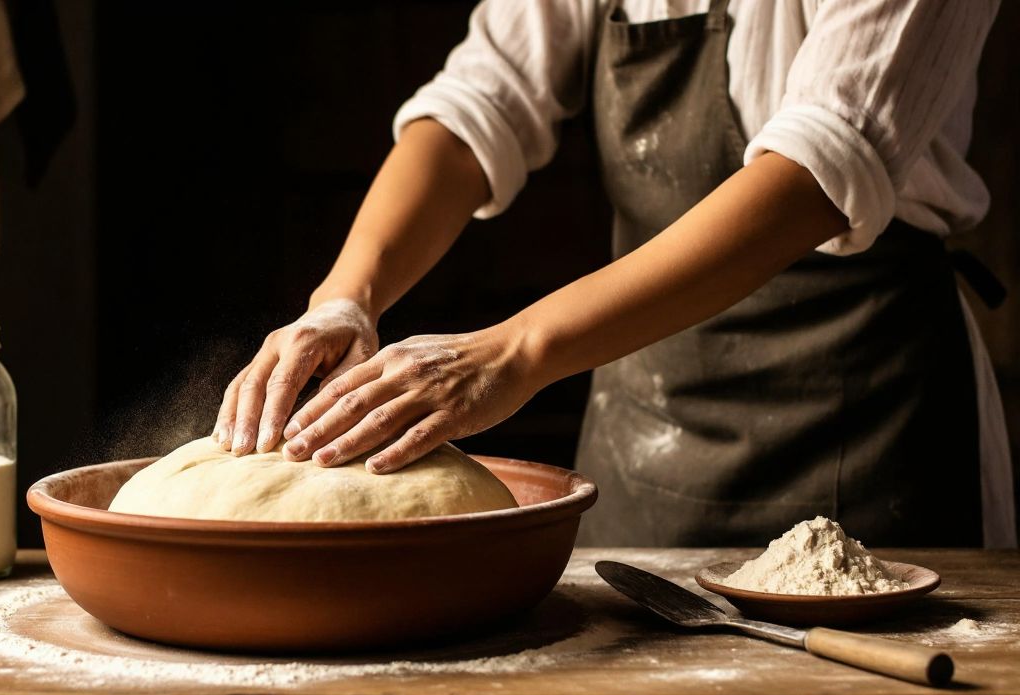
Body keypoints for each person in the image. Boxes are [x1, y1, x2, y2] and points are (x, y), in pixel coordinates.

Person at [211, 0, 1015, 548]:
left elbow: (816, 174)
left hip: (865, 425)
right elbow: (479, 101)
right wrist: (345, 297)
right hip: (645, 431)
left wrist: (513, 354)